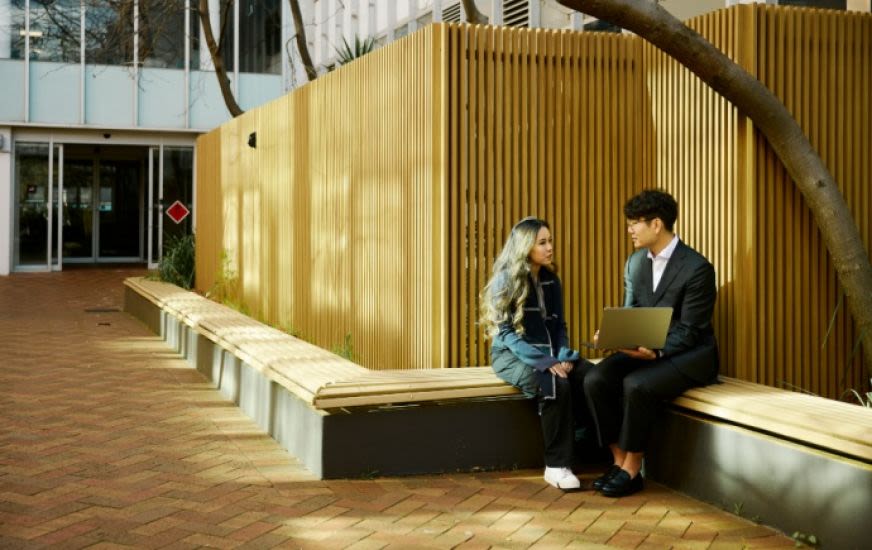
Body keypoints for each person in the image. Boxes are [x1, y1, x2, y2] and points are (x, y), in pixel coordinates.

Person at [584, 189, 719, 497]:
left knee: (636, 384)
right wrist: (614, 336)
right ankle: (619, 462)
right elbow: (631, 311)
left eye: (635, 223)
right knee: (595, 378)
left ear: (656, 224)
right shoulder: (634, 263)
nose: (629, 229)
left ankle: (633, 469)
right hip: (645, 348)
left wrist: (656, 350)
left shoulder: (698, 268)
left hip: (690, 354)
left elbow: (691, 330)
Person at [481, 217, 591, 491]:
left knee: (593, 376)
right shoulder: (504, 281)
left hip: (551, 353)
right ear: (525, 246)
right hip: (510, 356)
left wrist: (564, 355)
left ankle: (597, 449)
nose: (550, 247)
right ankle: (556, 466)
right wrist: (545, 362)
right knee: (555, 382)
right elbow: (505, 334)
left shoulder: (552, 280)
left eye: (550, 241)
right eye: (542, 242)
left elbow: (559, 327)